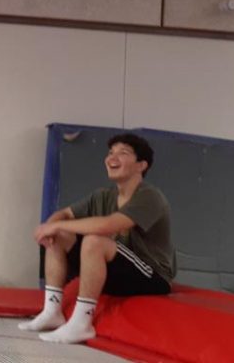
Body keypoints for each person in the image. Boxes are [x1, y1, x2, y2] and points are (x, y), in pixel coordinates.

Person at [20, 133, 175, 344]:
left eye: (123, 153)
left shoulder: (150, 196)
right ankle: (52, 310)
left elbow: (108, 225)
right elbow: (64, 214)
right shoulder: (103, 196)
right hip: (120, 271)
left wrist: (55, 225)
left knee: (94, 241)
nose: (113, 158)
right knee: (59, 235)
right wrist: (51, 226)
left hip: (152, 276)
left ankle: (81, 324)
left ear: (141, 165)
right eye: (111, 152)